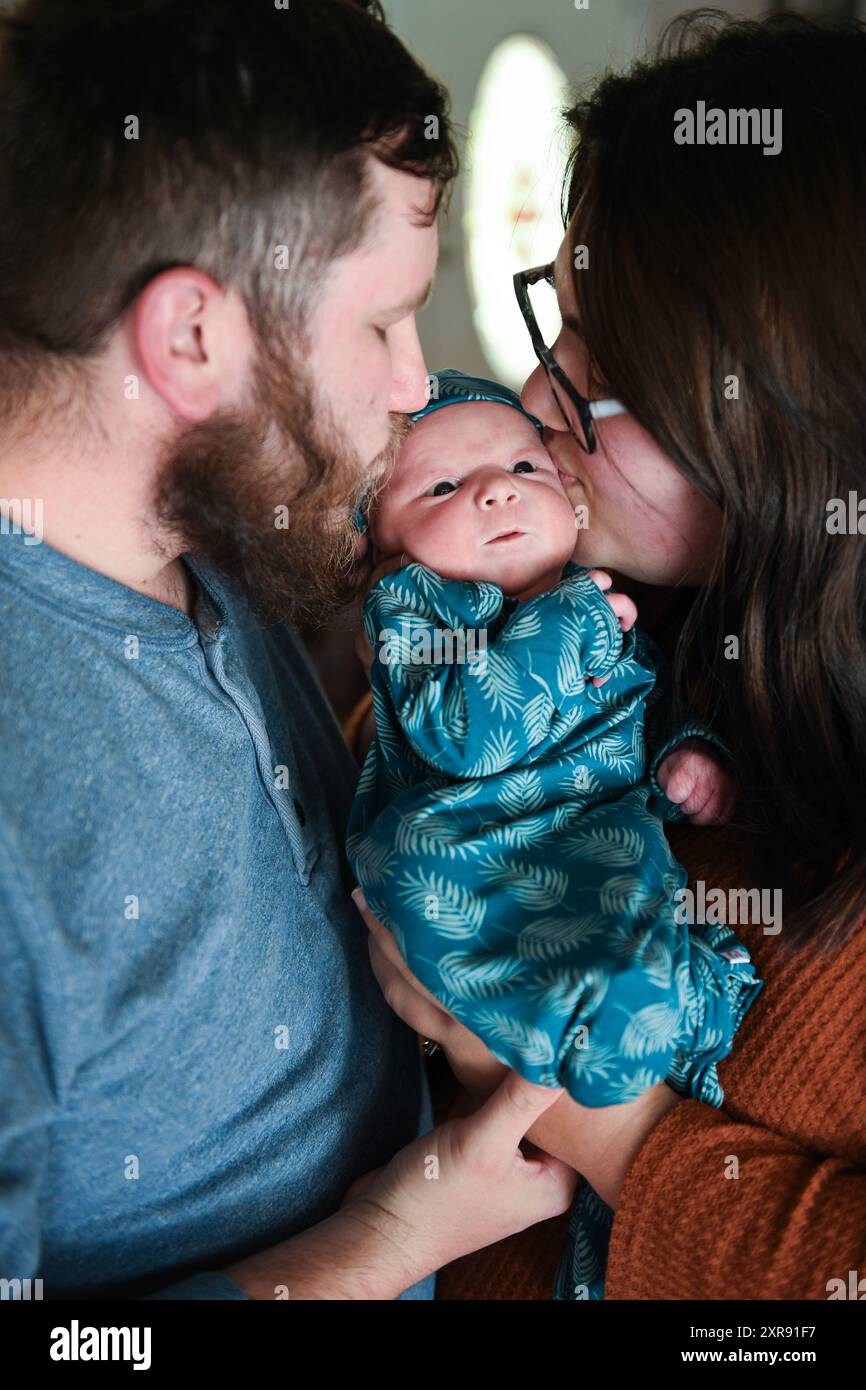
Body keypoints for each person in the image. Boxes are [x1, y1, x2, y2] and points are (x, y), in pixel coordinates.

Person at [0, 0, 576, 1301]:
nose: (414, 386)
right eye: (382, 326)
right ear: (191, 338)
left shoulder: (221, 535)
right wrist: (399, 1234)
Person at [351, 9, 866, 1299]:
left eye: (598, 365)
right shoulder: (628, 630)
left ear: (779, 420)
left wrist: (592, 1119)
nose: (537, 399)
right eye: (555, 323)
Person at [346, 367, 762, 1298]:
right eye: (444, 487)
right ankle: (584, 1040)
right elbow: (467, 728)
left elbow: (643, 702)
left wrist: (685, 756)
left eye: (521, 465)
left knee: (635, 892)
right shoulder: (418, 610)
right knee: (420, 878)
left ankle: (668, 1011)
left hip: (594, 831)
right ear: (381, 545)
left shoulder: (600, 594)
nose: (497, 490)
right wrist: (570, 622)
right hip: (475, 845)